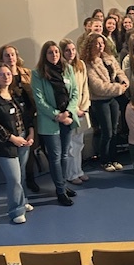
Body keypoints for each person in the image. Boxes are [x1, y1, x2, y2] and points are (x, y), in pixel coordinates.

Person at [0, 63, 35, 222]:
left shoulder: (16, 95)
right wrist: (13, 138)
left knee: (21, 175)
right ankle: (16, 211)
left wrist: (30, 132)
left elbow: (26, 116)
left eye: (8, 74)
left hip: (23, 139)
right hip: (5, 144)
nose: (6, 77)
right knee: (13, 178)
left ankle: (23, 201)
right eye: (1, 74)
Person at [31, 41, 80, 207]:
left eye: (56, 52)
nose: (54, 55)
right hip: (50, 121)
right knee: (56, 157)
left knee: (65, 155)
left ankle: (63, 185)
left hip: (67, 118)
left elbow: (75, 93)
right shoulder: (37, 74)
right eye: (50, 53)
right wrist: (57, 115)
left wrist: (69, 112)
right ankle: (60, 191)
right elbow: (39, 100)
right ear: (44, 55)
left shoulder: (68, 69)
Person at [0, 44, 39, 192]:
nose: (10, 58)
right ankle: (19, 187)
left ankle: (30, 179)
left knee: (30, 150)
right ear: (1, 58)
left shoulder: (26, 73)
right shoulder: (0, 77)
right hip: (12, 120)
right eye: (7, 55)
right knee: (18, 156)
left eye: (12, 54)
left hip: (29, 115)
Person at [85, 33, 129, 172]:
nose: (100, 46)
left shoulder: (108, 58)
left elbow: (119, 72)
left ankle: (114, 158)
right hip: (100, 101)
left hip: (113, 98)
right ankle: (104, 160)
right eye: (97, 43)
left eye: (102, 43)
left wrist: (124, 82)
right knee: (107, 132)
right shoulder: (88, 63)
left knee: (115, 130)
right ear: (91, 45)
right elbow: (98, 87)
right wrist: (118, 88)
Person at [59, 38, 91, 185]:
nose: (71, 52)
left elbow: (84, 87)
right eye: (67, 50)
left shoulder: (81, 64)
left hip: (82, 110)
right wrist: (74, 110)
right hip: (70, 111)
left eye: (73, 49)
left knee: (79, 143)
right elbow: (65, 93)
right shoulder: (61, 68)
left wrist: (84, 107)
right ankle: (71, 174)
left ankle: (78, 171)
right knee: (70, 146)